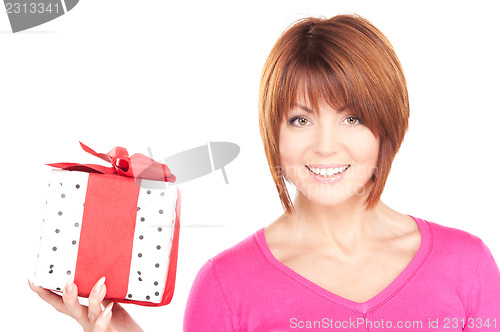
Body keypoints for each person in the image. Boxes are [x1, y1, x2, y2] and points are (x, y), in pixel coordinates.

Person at [30, 14, 500, 331]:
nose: (325, 144)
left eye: (352, 117)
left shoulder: (468, 267)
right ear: (273, 131)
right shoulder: (225, 285)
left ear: (388, 123)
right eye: (300, 119)